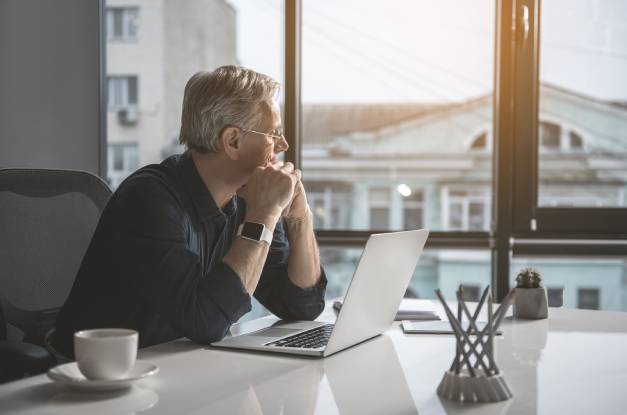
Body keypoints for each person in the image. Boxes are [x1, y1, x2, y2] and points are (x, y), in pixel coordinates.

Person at [53, 66, 327, 358]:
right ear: (232, 141)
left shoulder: (249, 199)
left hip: (181, 369)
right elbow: (206, 322)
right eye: (273, 133)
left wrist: (299, 217)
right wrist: (265, 216)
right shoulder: (149, 199)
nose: (283, 145)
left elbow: (302, 307)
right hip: (97, 380)